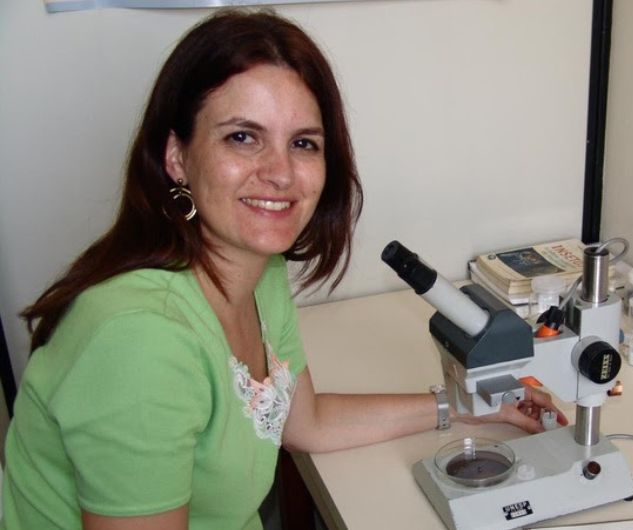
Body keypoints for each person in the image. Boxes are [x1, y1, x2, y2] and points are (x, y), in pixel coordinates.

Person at [0, 9, 567, 530]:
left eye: (303, 143)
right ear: (177, 157)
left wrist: (470, 409)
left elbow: (305, 422)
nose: (281, 173)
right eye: (242, 137)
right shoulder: (140, 342)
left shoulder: (256, 271)